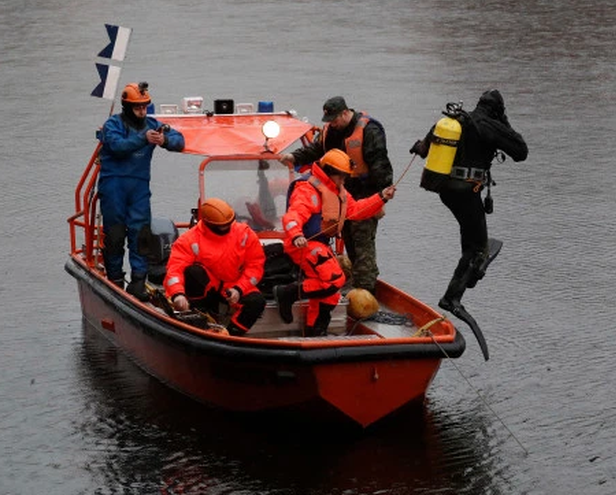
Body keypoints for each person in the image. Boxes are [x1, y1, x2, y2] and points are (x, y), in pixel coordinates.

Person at [410, 89, 528, 320]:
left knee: (472, 241)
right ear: (497, 111)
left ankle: (472, 269)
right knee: (478, 248)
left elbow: (423, 149)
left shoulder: (454, 121)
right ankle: (452, 297)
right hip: (467, 191)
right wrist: (504, 122)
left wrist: (418, 146)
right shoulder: (490, 126)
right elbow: (521, 151)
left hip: (445, 190)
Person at [276, 96, 393, 294]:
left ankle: (365, 290)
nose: (332, 124)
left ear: (345, 113)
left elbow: (380, 165)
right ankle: (355, 285)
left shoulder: (369, 131)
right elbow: (316, 150)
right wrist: (294, 157)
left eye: (334, 119)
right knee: (348, 241)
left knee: (363, 246)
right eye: (329, 120)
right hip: (339, 194)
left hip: (363, 192)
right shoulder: (331, 131)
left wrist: (380, 198)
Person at [274, 149, 396, 337]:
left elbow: (356, 210)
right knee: (335, 279)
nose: (344, 181)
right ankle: (287, 293)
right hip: (303, 243)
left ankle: (315, 330)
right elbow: (293, 216)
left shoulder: (337, 190)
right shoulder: (307, 189)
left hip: (319, 244)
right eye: (342, 177)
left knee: (330, 295)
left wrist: (381, 197)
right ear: (331, 173)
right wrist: (297, 234)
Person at [98, 81, 185, 301]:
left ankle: (138, 282)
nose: (142, 111)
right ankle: (115, 279)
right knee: (115, 236)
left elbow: (179, 140)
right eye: (138, 107)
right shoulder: (113, 125)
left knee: (141, 235)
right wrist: (142, 139)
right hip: (114, 187)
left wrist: (164, 140)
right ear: (127, 107)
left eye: (145, 107)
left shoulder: (153, 125)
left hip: (139, 188)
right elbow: (117, 147)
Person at [163, 198, 267, 336]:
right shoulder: (189, 239)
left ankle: (232, 335)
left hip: (233, 285)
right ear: (208, 223)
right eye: (222, 226)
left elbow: (255, 266)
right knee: (193, 272)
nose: (227, 228)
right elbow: (175, 269)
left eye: (229, 224)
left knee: (257, 302)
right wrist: (178, 294)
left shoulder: (245, 234)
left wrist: (239, 289)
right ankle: (199, 319)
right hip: (208, 285)